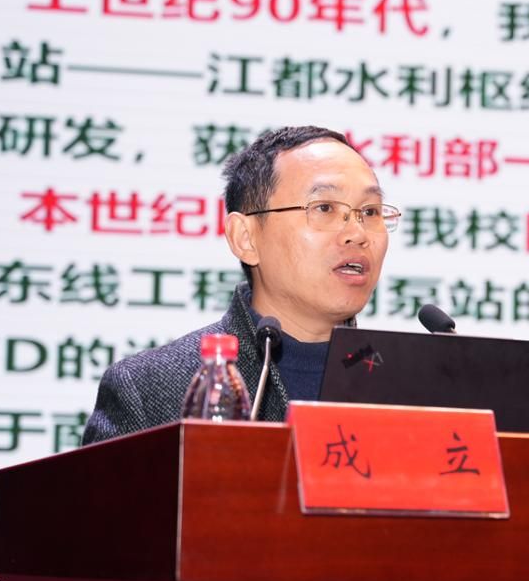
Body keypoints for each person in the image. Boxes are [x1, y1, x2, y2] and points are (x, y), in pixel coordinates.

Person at [81, 125, 397, 445]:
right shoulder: (150, 390)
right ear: (245, 238)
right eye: (324, 208)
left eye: (370, 211)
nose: (357, 234)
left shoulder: (409, 389)